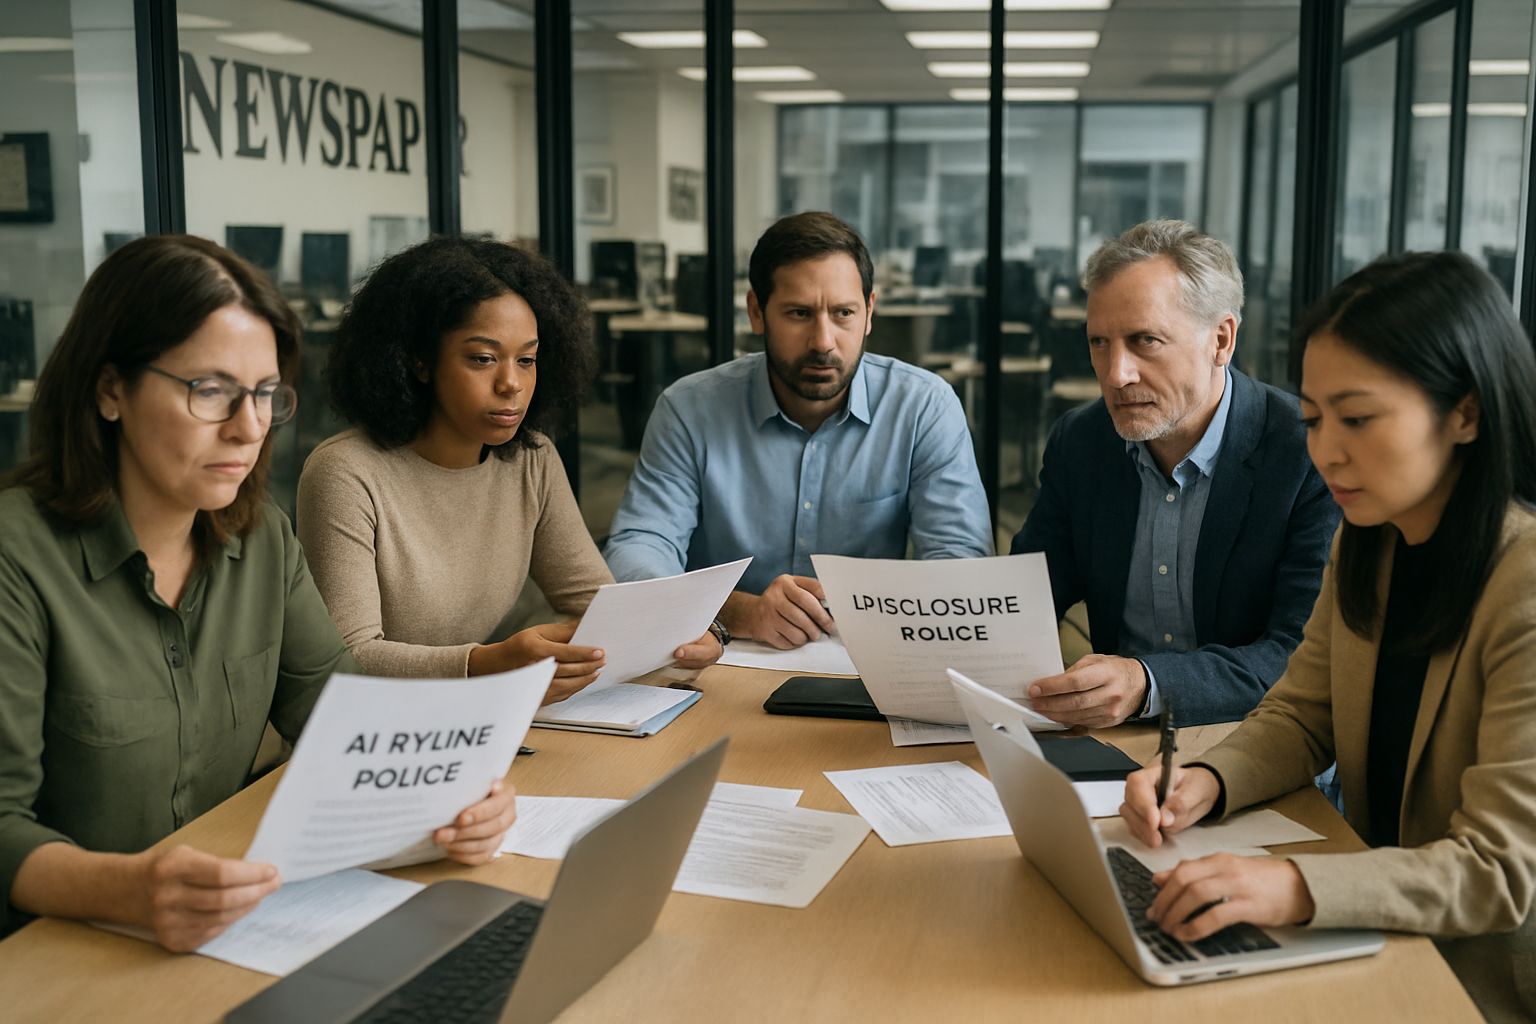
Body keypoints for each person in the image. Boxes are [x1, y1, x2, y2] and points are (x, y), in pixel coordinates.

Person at [0, 236, 516, 951]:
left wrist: (448, 794)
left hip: (233, 929)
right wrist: (127, 886)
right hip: (61, 950)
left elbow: (346, 722)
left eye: (266, 395)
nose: (248, 429)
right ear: (110, 387)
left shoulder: (262, 541)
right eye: (209, 390)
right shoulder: (16, 557)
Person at [1120, 250, 1536, 1022]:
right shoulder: (1371, 539)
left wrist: (1298, 888)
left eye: (1358, 418)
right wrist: (1205, 783)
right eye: (1313, 420)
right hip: (1370, 931)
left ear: (1466, 412)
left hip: (1476, 976)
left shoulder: (1524, 585)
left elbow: (1500, 871)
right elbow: (1302, 714)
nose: (1326, 452)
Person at [298, 237, 720, 701]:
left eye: (527, 360)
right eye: (482, 359)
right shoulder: (345, 473)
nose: (511, 384)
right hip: (371, 732)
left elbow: (596, 603)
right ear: (418, 361)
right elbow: (349, 657)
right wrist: (486, 664)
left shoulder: (530, 458)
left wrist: (676, 637)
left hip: (479, 720)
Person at [604, 211, 993, 651]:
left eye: (843, 313)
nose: (823, 340)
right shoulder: (689, 409)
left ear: (869, 313)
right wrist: (740, 612)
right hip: (721, 650)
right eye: (799, 313)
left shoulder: (923, 407)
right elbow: (638, 551)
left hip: (870, 659)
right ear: (757, 312)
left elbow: (961, 564)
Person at [1011, 220, 1338, 727]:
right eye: (1100, 342)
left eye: (1146, 340)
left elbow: (1301, 656)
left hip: (1261, 737)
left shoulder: (1308, 452)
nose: (1116, 374)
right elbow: (1025, 597)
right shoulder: (1082, 440)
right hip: (1118, 739)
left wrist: (1148, 682)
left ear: (1221, 340)